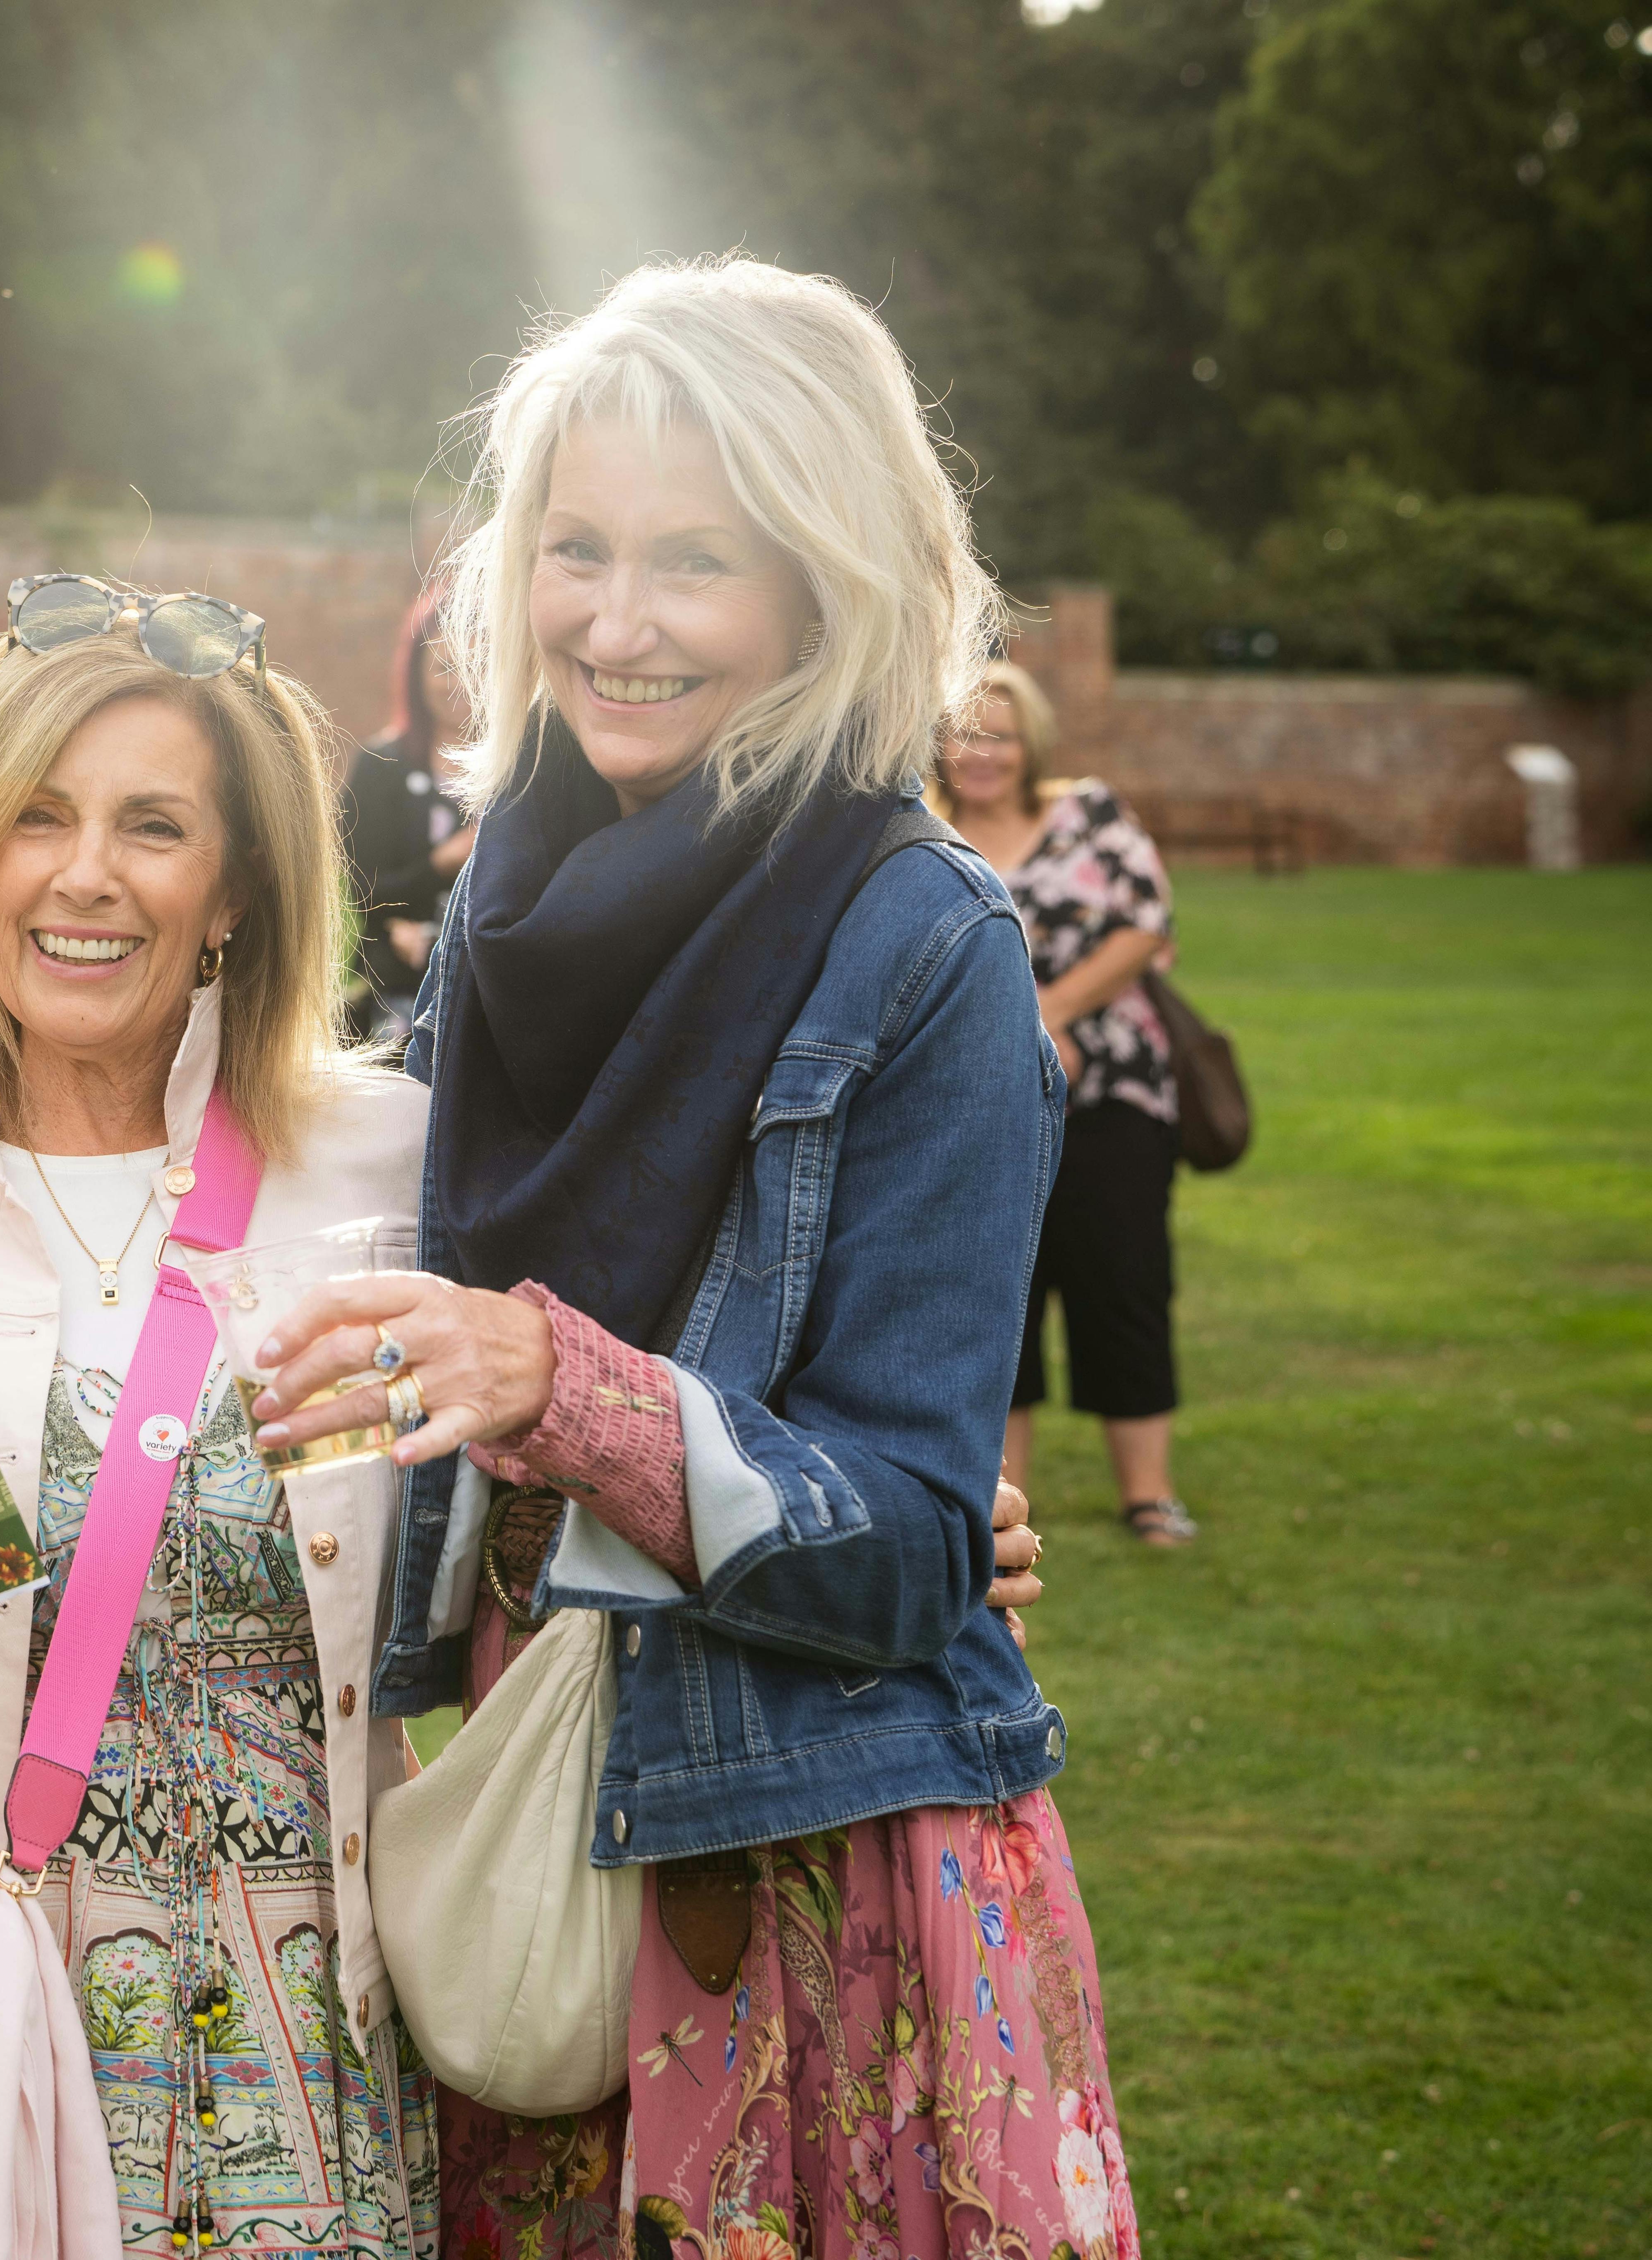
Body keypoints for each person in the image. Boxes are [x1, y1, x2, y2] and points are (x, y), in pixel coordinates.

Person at [249, 260, 1129, 2260]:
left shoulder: (930, 953)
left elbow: (909, 1541)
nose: (613, 627)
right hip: (544, 1858)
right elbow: (350, 1190)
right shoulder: (517, 902)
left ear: (826, 586)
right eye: (576, 551)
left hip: (809, 1883)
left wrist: (557, 1388)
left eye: (695, 567)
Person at [0, 578, 447, 2258]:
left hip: (319, 2029)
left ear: (233, 891)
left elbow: (525, 1498)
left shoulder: (390, 1168)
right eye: (35, 816)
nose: (83, 875)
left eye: (151, 826)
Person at [938, 663, 1197, 1547]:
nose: (981, 753)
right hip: (974, 1107)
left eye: (999, 735)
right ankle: (1002, 1504)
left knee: (1121, 1285)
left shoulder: (1089, 812)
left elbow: (1147, 921)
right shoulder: (921, 835)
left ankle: (1149, 1495)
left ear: (1032, 742)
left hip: (1112, 1095)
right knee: (993, 1298)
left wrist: (1048, 1012)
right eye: (965, 732)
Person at [339, 591, 477, 1045]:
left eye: (476, 666)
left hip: (484, 991)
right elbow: (361, 888)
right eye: (445, 666)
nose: (459, 682)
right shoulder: (381, 766)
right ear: (417, 671)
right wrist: (444, 862)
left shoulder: (521, 772)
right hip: (393, 991)